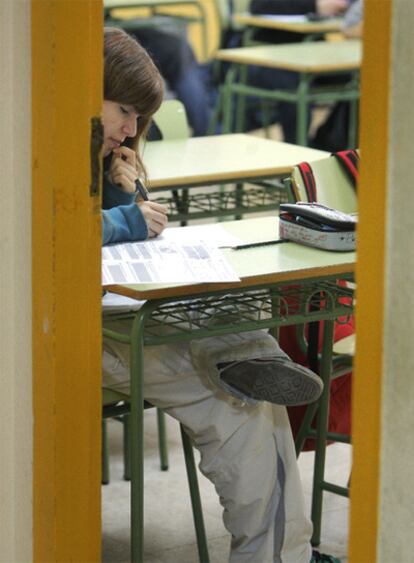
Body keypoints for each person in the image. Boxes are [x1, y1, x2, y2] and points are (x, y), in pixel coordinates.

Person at [101, 27, 340, 563]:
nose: (131, 129)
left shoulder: (100, 147)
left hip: (122, 309)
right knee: (243, 405)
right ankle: (280, 555)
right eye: (123, 111)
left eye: (140, 119)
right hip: (83, 330)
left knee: (254, 383)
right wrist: (122, 217)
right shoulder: (33, 146)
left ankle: (249, 355)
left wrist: (119, 186)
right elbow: (49, 231)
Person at [236, 0, 355, 141]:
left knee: (360, 78)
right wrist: (314, 6)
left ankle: (328, 143)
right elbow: (258, 5)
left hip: (313, 51)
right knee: (294, 86)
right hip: (272, 54)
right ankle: (297, 152)